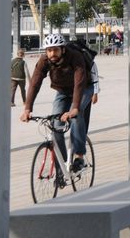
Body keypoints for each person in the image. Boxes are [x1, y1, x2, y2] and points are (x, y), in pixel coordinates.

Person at [20, 33, 93, 172]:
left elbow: (79, 83)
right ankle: (63, 166)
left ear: (62, 49)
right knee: (56, 126)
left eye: (55, 49)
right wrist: (27, 109)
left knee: (76, 117)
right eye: (49, 50)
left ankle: (79, 158)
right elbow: (35, 83)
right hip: (63, 91)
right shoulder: (44, 60)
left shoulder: (75, 57)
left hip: (84, 89)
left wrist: (75, 108)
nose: (52, 53)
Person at [82, 58, 100, 133]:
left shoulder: (90, 62)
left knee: (85, 116)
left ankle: (84, 135)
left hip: (86, 92)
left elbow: (95, 79)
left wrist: (95, 93)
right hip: (72, 92)